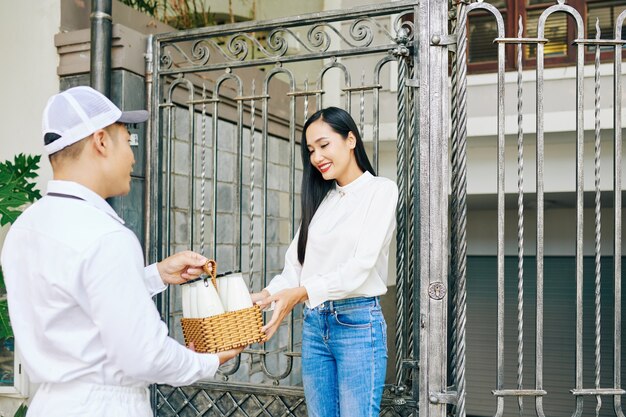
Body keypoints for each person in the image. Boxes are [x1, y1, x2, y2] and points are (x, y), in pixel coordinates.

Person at [0, 86, 242, 417]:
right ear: (101, 141)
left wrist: (155, 275)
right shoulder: (106, 235)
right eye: (129, 142)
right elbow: (145, 355)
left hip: (49, 404)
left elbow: (74, 303)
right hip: (105, 407)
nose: (133, 156)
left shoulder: (25, 228)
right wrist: (209, 360)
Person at [252, 107, 398, 417]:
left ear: (350, 139)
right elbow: (296, 266)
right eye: (310, 150)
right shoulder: (322, 198)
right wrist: (267, 296)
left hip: (357, 323)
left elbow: (361, 266)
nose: (316, 157)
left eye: (323, 145)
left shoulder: (381, 191)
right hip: (316, 324)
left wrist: (302, 293)